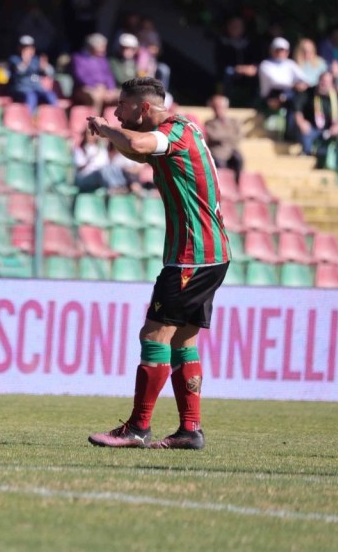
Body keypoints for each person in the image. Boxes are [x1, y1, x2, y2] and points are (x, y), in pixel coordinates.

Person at [86, 77, 230, 451]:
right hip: (211, 254)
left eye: (122, 105)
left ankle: (137, 427)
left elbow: (135, 143)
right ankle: (190, 430)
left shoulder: (170, 133)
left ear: (144, 108)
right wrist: (112, 135)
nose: (117, 112)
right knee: (184, 338)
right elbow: (139, 151)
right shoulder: (185, 128)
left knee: (154, 335)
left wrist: (105, 128)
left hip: (190, 257)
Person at [296, 71, 338, 157]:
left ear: (332, 84)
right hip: (313, 127)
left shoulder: (336, 95)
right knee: (305, 134)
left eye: (327, 82)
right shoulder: (309, 93)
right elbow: (297, 108)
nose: (323, 83)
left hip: (331, 128)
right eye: (322, 80)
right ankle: (307, 154)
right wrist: (301, 122)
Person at [214, 16, 259, 106]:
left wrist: (250, 68)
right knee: (228, 73)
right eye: (233, 26)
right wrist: (237, 69)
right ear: (228, 27)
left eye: (238, 26)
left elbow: (255, 61)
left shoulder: (250, 44)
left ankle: (254, 105)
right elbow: (220, 64)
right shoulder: (222, 43)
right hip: (229, 74)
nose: (236, 29)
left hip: (247, 75)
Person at [72, 33, 118, 113]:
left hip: (103, 88)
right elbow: (80, 76)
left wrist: (111, 89)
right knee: (95, 97)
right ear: (92, 47)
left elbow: (108, 75)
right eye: (102, 47)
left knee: (122, 96)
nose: (104, 49)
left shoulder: (102, 59)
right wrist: (96, 86)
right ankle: (94, 122)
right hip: (84, 88)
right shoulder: (78, 58)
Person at [7, 35, 56, 110]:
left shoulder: (36, 60)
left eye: (30, 47)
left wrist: (45, 67)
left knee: (50, 95)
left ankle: (56, 117)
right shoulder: (14, 59)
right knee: (31, 96)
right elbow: (18, 72)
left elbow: (50, 73)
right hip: (21, 90)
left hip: (37, 89)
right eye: (24, 47)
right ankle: (29, 119)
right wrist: (25, 61)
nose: (27, 50)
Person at [204, 95, 244, 183]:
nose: (219, 110)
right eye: (216, 107)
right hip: (217, 153)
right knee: (218, 164)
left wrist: (223, 136)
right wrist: (229, 135)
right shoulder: (209, 123)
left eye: (221, 107)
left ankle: (238, 185)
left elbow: (239, 136)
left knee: (238, 158)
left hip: (231, 151)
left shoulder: (234, 122)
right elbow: (213, 136)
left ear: (226, 107)